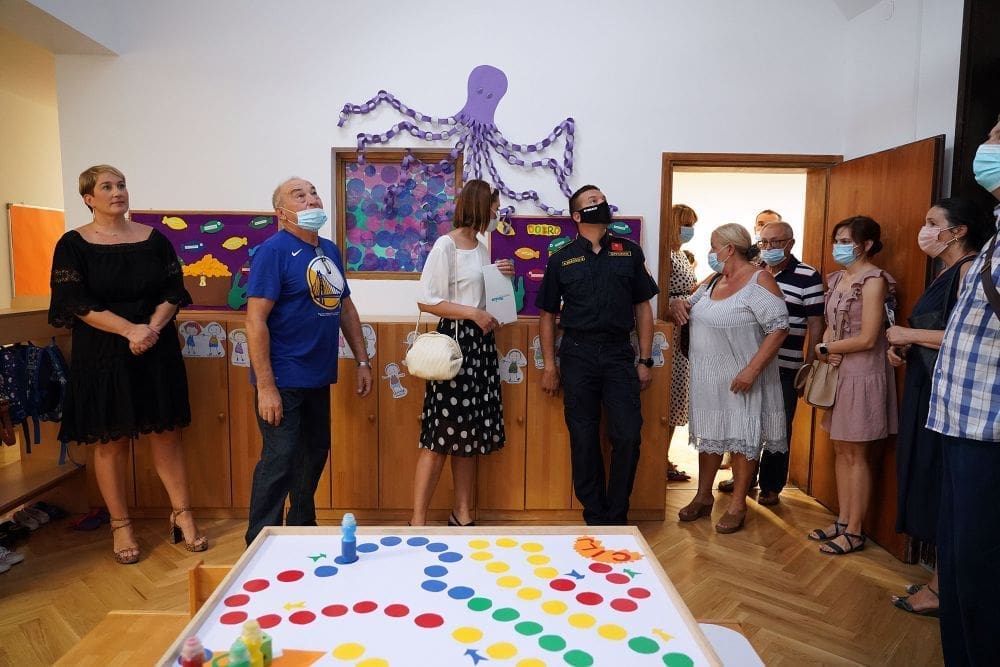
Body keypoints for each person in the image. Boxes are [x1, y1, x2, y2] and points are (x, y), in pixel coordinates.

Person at [48, 165, 206, 564]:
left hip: (155, 348)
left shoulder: (154, 239)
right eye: (107, 187)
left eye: (121, 185)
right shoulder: (73, 244)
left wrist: (149, 330)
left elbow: (174, 290)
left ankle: (183, 514)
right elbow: (74, 301)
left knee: (167, 434)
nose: (117, 191)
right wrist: (129, 330)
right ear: (89, 198)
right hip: (101, 353)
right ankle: (120, 525)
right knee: (110, 441)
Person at [245, 177, 372, 545]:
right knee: (280, 459)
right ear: (281, 213)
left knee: (313, 455)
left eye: (313, 192)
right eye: (298, 195)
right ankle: (259, 541)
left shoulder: (329, 250)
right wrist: (266, 387)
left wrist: (362, 361)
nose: (311, 199)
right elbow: (255, 321)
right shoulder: (272, 252)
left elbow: (345, 308)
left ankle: (301, 528)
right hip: (282, 377)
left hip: (318, 376)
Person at [885, 198, 990, 617]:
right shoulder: (945, 272)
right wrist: (906, 346)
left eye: (933, 222)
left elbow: (967, 338)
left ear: (958, 231)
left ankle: (943, 589)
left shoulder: (969, 270)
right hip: (928, 385)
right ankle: (942, 583)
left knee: (946, 487)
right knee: (930, 481)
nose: (925, 230)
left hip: (952, 395)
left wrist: (907, 334)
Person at [536, 185, 659, 525]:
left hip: (619, 354)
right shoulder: (561, 258)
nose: (602, 203)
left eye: (602, 199)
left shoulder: (629, 252)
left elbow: (643, 308)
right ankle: (595, 516)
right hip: (577, 354)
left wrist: (644, 359)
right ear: (577, 216)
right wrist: (550, 366)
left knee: (628, 435)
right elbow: (547, 315)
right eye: (593, 201)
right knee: (584, 438)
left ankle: (617, 516)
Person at [926, 116, 1000, 664]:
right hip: (960, 422)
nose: (986, 146)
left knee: (981, 569)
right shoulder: (996, 238)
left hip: (990, 432)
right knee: (959, 564)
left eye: (997, 138)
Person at [669, 224, 788, 533]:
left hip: (742, 378)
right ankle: (703, 496)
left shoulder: (759, 280)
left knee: (741, 438)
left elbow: (779, 328)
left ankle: (737, 505)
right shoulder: (713, 280)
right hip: (709, 379)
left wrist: (752, 370)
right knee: (711, 436)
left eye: (713, 246)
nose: (711, 252)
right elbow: (688, 304)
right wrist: (678, 303)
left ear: (729, 249)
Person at [410, 180, 513, 526]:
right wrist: (472, 313)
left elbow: (486, 300)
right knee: (438, 435)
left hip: (480, 346)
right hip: (455, 345)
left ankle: (462, 513)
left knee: (470, 435)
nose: (497, 213)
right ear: (480, 206)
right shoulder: (446, 245)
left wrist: (502, 278)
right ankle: (418, 520)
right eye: (494, 207)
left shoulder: (481, 248)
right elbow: (426, 300)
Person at [807, 216, 897, 555]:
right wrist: (828, 348)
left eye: (846, 241)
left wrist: (827, 348)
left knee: (857, 454)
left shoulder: (874, 281)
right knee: (841, 449)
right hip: (839, 370)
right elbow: (830, 324)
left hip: (863, 372)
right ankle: (843, 520)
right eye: (837, 240)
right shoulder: (838, 278)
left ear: (867, 244)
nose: (839, 246)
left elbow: (869, 337)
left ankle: (856, 531)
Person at [718, 221, 824, 505]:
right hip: (748, 365)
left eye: (775, 242)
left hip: (786, 366)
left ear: (790, 243)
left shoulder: (807, 275)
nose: (769, 248)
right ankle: (743, 478)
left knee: (778, 427)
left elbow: (816, 324)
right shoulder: (752, 271)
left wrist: (810, 365)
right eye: (764, 242)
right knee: (745, 424)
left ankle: (771, 485)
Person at [665, 204, 699, 483]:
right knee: (668, 397)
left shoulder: (680, 255)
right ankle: (659, 459)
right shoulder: (665, 254)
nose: (690, 230)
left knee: (677, 398)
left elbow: (687, 290)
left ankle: (663, 458)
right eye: (687, 224)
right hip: (671, 334)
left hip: (684, 334)